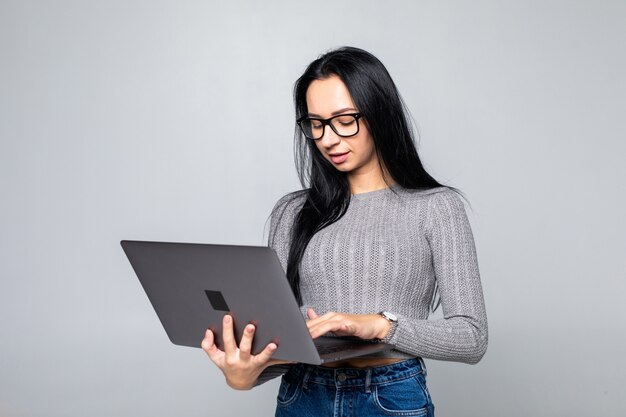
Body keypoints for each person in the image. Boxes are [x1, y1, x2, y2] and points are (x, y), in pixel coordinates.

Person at [201, 46, 488, 416]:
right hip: (302, 394)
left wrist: (379, 325)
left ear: (379, 112)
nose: (328, 139)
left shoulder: (436, 207)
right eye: (316, 123)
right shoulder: (292, 212)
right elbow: (285, 335)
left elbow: (472, 337)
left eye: (344, 119)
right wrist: (244, 376)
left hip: (389, 397)